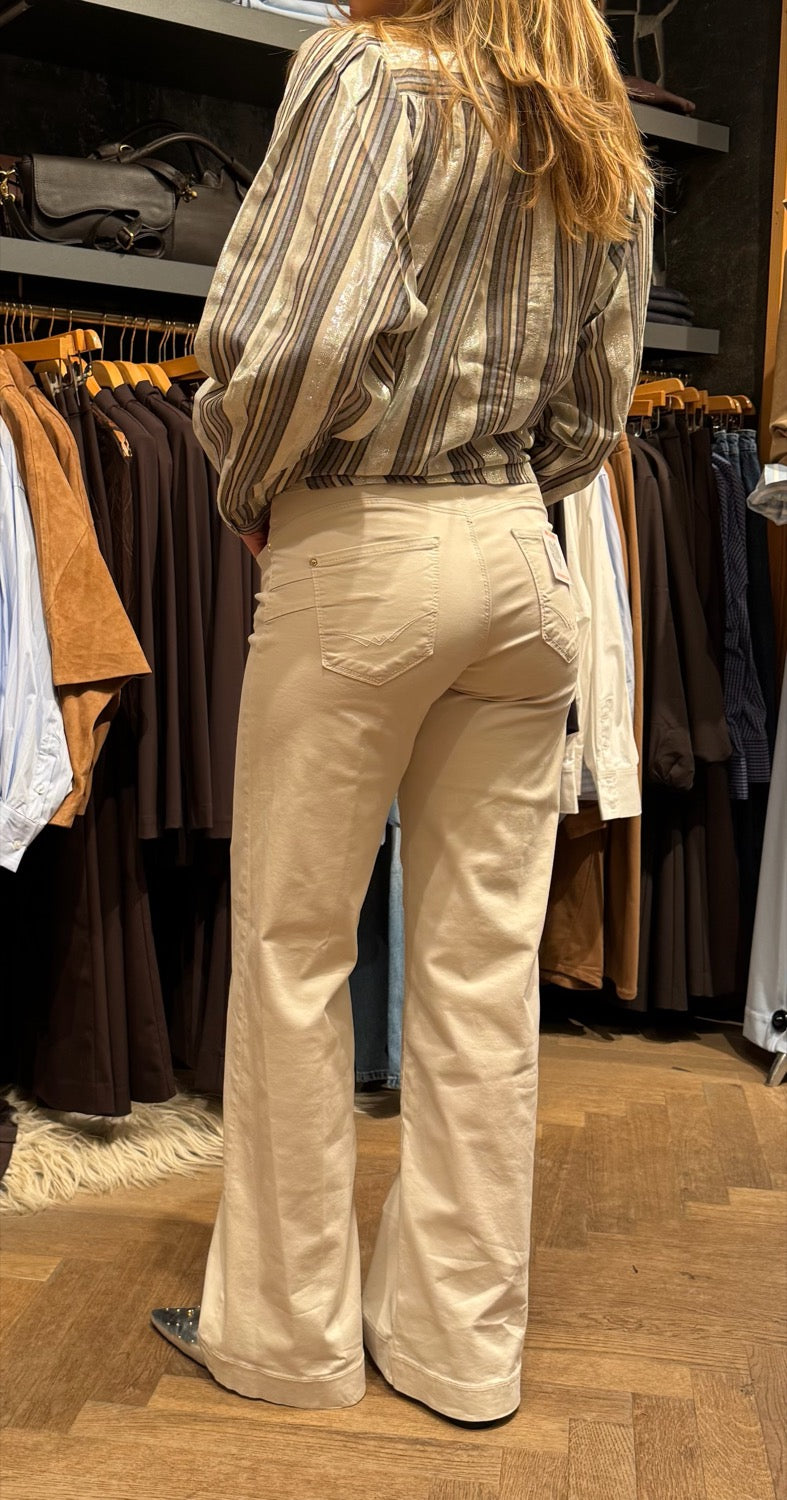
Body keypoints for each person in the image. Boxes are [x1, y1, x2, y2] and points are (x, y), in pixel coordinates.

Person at [151, 0, 652, 1423]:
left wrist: (252, 482)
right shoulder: (591, 118)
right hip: (522, 554)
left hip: (366, 541)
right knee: (481, 972)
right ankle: (460, 1352)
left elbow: (299, 339)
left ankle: (288, 1340)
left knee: (294, 951)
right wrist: (505, 500)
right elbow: (599, 402)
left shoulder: (369, 73)